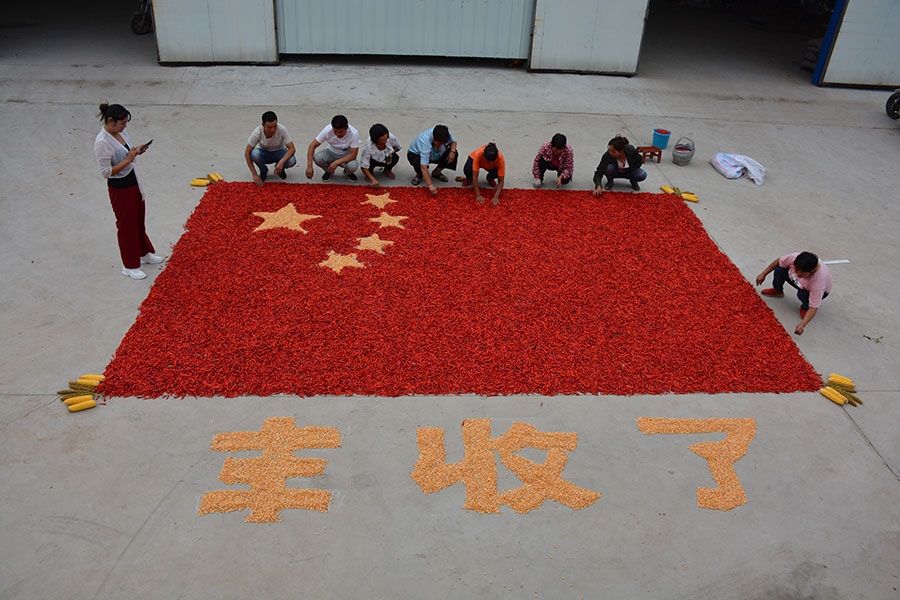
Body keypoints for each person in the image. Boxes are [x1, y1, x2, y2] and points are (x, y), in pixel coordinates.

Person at [93, 103, 163, 280]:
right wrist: (129, 159)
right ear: (111, 121)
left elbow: (126, 153)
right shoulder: (102, 142)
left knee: (138, 219)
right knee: (126, 225)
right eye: (122, 123)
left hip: (133, 181)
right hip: (120, 187)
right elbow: (106, 172)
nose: (125, 126)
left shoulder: (120, 133)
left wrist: (135, 152)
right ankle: (129, 265)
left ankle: (143, 253)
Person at [755, 251, 832, 335]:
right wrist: (763, 274)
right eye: (796, 269)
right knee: (779, 269)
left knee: (802, 294)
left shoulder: (818, 281)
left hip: (808, 290)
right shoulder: (795, 258)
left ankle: (805, 307)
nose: (797, 273)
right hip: (797, 281)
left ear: (811, 271)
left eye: (801, 273)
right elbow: (778, 261)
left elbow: (814, 307)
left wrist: (802, 325)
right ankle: (777, 290)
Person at [244, 110, 297, 186]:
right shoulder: (257, 132)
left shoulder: (282, 129)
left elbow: (292, 149)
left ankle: (280, 169)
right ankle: (263, 170)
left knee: (292, 161)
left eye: (275, 126)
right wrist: (254, 174)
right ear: (263, 125)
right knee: (254, 154)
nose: (273, 130)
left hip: (280, 152)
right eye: (269, 127)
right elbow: (247, 153)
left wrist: (281, 162)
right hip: (264, 153)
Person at [407, 125, 458, 196]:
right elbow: (423, 166)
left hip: (436, 154)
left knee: (453, 154)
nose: (441, 145)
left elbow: (453, 142)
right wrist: (431, 186)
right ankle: (419, 175)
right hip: (417, 154)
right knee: (417, 162)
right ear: (434, 138)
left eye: (443, 143)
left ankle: (436, 173)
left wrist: (452, 152)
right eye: (439, 143)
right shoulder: (424, 141)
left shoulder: (445, 133)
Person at [306, 115, 360, 181]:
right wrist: (309, 166)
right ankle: (328, 171)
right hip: (331, 152)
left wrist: (336, 163)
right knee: (318, 158)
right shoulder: (327, 130)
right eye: (335, 132)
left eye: (340, 132)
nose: (337, 134)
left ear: (346, 128)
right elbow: (312, 146)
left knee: (353, 166)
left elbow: (353, 155)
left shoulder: (354, 133)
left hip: (346, 154)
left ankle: (348, 172)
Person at [359, 123, 402, 189]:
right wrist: (373, 180)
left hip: (386, 157)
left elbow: (398, 147)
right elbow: (363, 165)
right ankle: (370, 174)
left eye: (385, 134)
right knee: (368, 165)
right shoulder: (369, 146)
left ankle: (387, 170)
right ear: (376, 138)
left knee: (395, 158)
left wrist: (391, 152)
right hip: (373, 159)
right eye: (382, 136)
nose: (385, 137)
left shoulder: (390, 138)